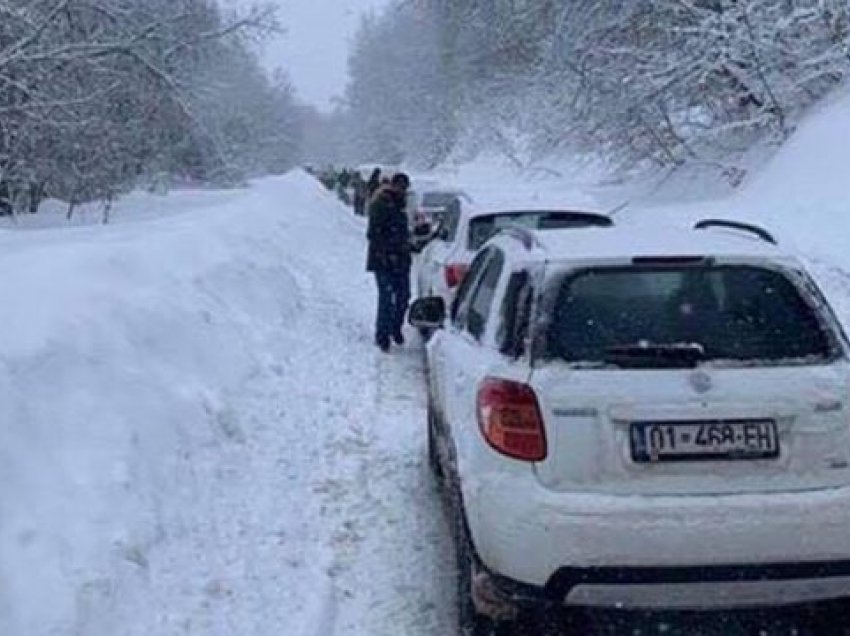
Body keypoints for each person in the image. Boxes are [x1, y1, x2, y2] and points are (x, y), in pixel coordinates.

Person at [366, 172, 412, 352]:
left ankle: (395, 327)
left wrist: (410, 242)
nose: (402, 190)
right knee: (386, 298)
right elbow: (373, 234)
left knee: (404, 297)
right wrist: (388, 250)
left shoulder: (401, 205)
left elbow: (403, 232)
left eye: (405, 188)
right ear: (393, 185)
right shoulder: (380, 203)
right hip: (383, 260)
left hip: (401, 259)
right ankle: (382, 335)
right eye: (400, 186)